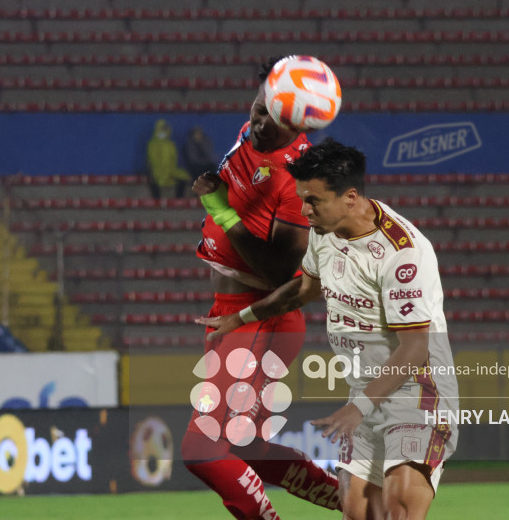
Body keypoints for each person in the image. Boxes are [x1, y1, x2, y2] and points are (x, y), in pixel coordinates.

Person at [198, 139, 460, 520]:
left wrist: (359, 408)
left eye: (313, 200)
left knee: (400, 505)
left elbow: (416, 347)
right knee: (357, 511)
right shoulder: (324, 232)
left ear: (350, 197)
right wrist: (241, 317)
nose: (304, 211)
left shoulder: (402, 255)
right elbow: (304, 289)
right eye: (303, 198)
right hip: (363, 390)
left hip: (417, 392)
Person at [183, 57, 342, 520]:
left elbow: (279, 272)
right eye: (258, 107)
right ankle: (356, 505)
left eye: (273, 120)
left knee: (202, 448)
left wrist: (221, 209)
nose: (258, 122)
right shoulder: (255, 130)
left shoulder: (299, 179)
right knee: (247, 448)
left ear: (297, 126)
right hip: (230, 308)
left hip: (262, 315)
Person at [147, 118, 190, 199]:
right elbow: (152, 161)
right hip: (157, 172)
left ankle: (179, 200)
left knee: (185, 177)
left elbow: (174, 161)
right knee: (154, 180)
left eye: (164, 129)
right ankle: (157, 201)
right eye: (161, 129)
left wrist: (171, 172)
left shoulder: (171, 144)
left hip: (171, 171)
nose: (163, 132)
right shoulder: (152, 144)